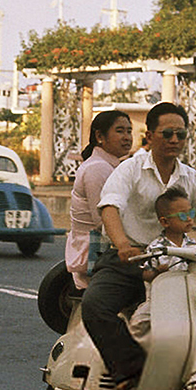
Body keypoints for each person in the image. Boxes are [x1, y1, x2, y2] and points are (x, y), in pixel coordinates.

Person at [80, 102, 196, 390]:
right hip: (134, 259)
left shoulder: (190, 177)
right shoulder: (129, 170)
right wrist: (123, 245)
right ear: (150, 135)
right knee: (95, 306)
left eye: (180, 134)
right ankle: (131, 370)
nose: (174, 140)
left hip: (179, 264)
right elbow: (110, 206)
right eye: (167, 134)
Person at [65, 110, 134, 290]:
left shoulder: (110, 166)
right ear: (99, 136)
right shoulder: (98, 168)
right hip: (95, 256)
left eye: (129, 131)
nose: (127, 137)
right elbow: (103, 220)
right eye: (120, 131)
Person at [125, 186, 196, 345]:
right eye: (182, 215)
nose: (189, 219)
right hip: (159, 301)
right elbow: (144, 273)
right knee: (138, 325)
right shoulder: (156, 248)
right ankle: (132, 361)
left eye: (191, 213)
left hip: (187, 300)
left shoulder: (194, 247)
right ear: (165, 222)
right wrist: (156, 274)